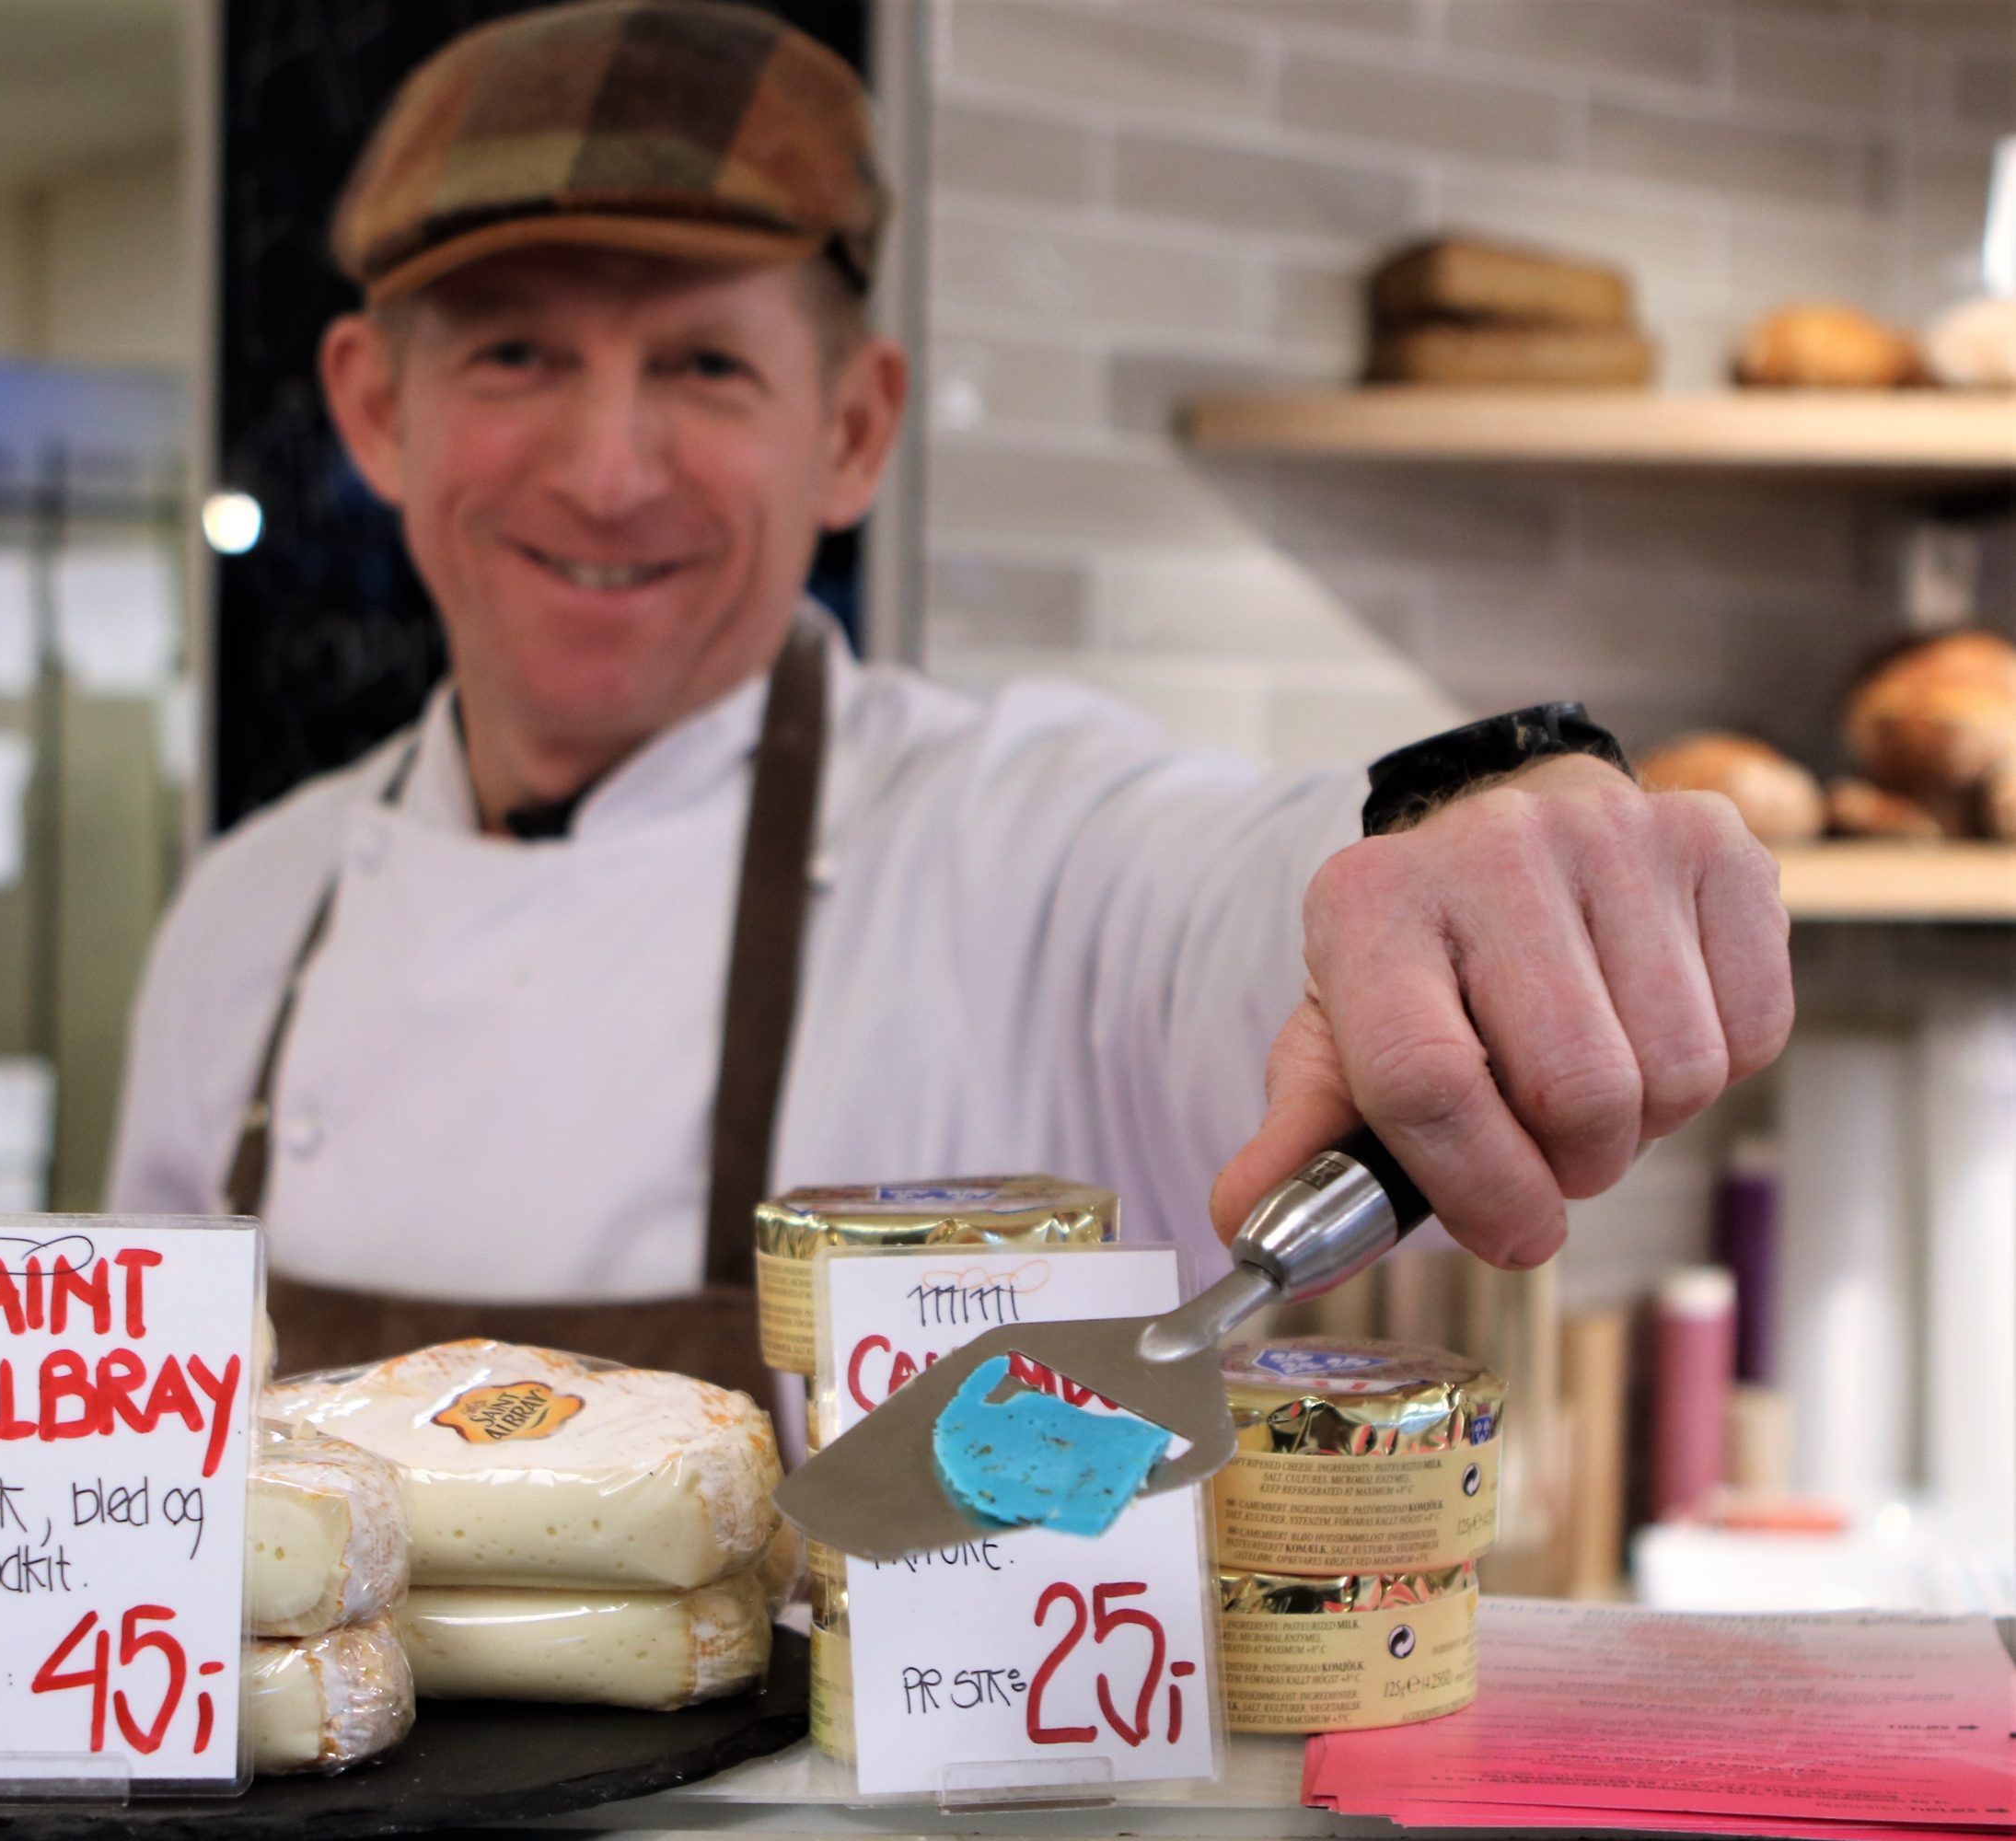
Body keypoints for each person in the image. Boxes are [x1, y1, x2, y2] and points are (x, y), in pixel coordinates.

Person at [108, 0, 1791, 1406]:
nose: (606, 473)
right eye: (512, 356)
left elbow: (1242, 888)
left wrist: (1472, 833)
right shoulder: (243, 928)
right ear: (372, 410)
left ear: (852, 426)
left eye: (703, 363)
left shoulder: (1018, 847)